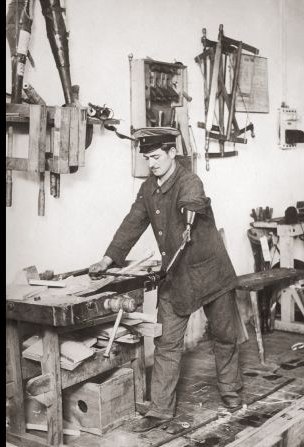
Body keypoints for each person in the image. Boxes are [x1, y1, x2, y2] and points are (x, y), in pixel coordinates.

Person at [89, 127, 243, 433]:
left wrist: (189, 214)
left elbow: (193, 200)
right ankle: (160, 410)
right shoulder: (148, 188)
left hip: (211, 273)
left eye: (157, 156)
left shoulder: (190, 181)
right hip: (175, 276)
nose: (152, 163)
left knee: (224, 336)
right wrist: (108, 258)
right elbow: (132, 223)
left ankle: (231, 392)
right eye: (147, 158)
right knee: (166, 343)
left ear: (173, 153)